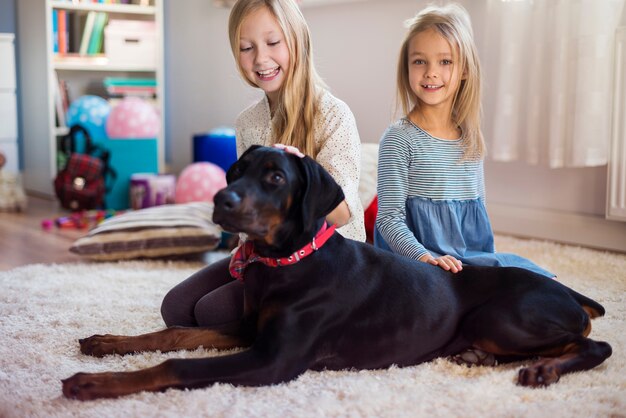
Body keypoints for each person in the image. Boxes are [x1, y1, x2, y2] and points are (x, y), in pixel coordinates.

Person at [161, 0, 365, 328]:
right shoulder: (247, 123)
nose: (260, 58)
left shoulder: (333, 115)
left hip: (323, 262)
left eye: (272, 43)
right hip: (265, 254)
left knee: (210, 313)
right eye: (246, 47)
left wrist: (301, 168)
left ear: (297, 40)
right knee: (177, 308)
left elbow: (341, 215)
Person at [374, 3, 553, 279]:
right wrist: (426, 257)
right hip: (417, 260)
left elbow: (478, 217)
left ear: (465, 70)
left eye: (445, 62)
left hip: (466, 259)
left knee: (538, 278)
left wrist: (486, 264)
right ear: (406, 68)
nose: (431, 72)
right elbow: (388, 220)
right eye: (419, 61)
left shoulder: (470, 138)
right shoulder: (399, 139)